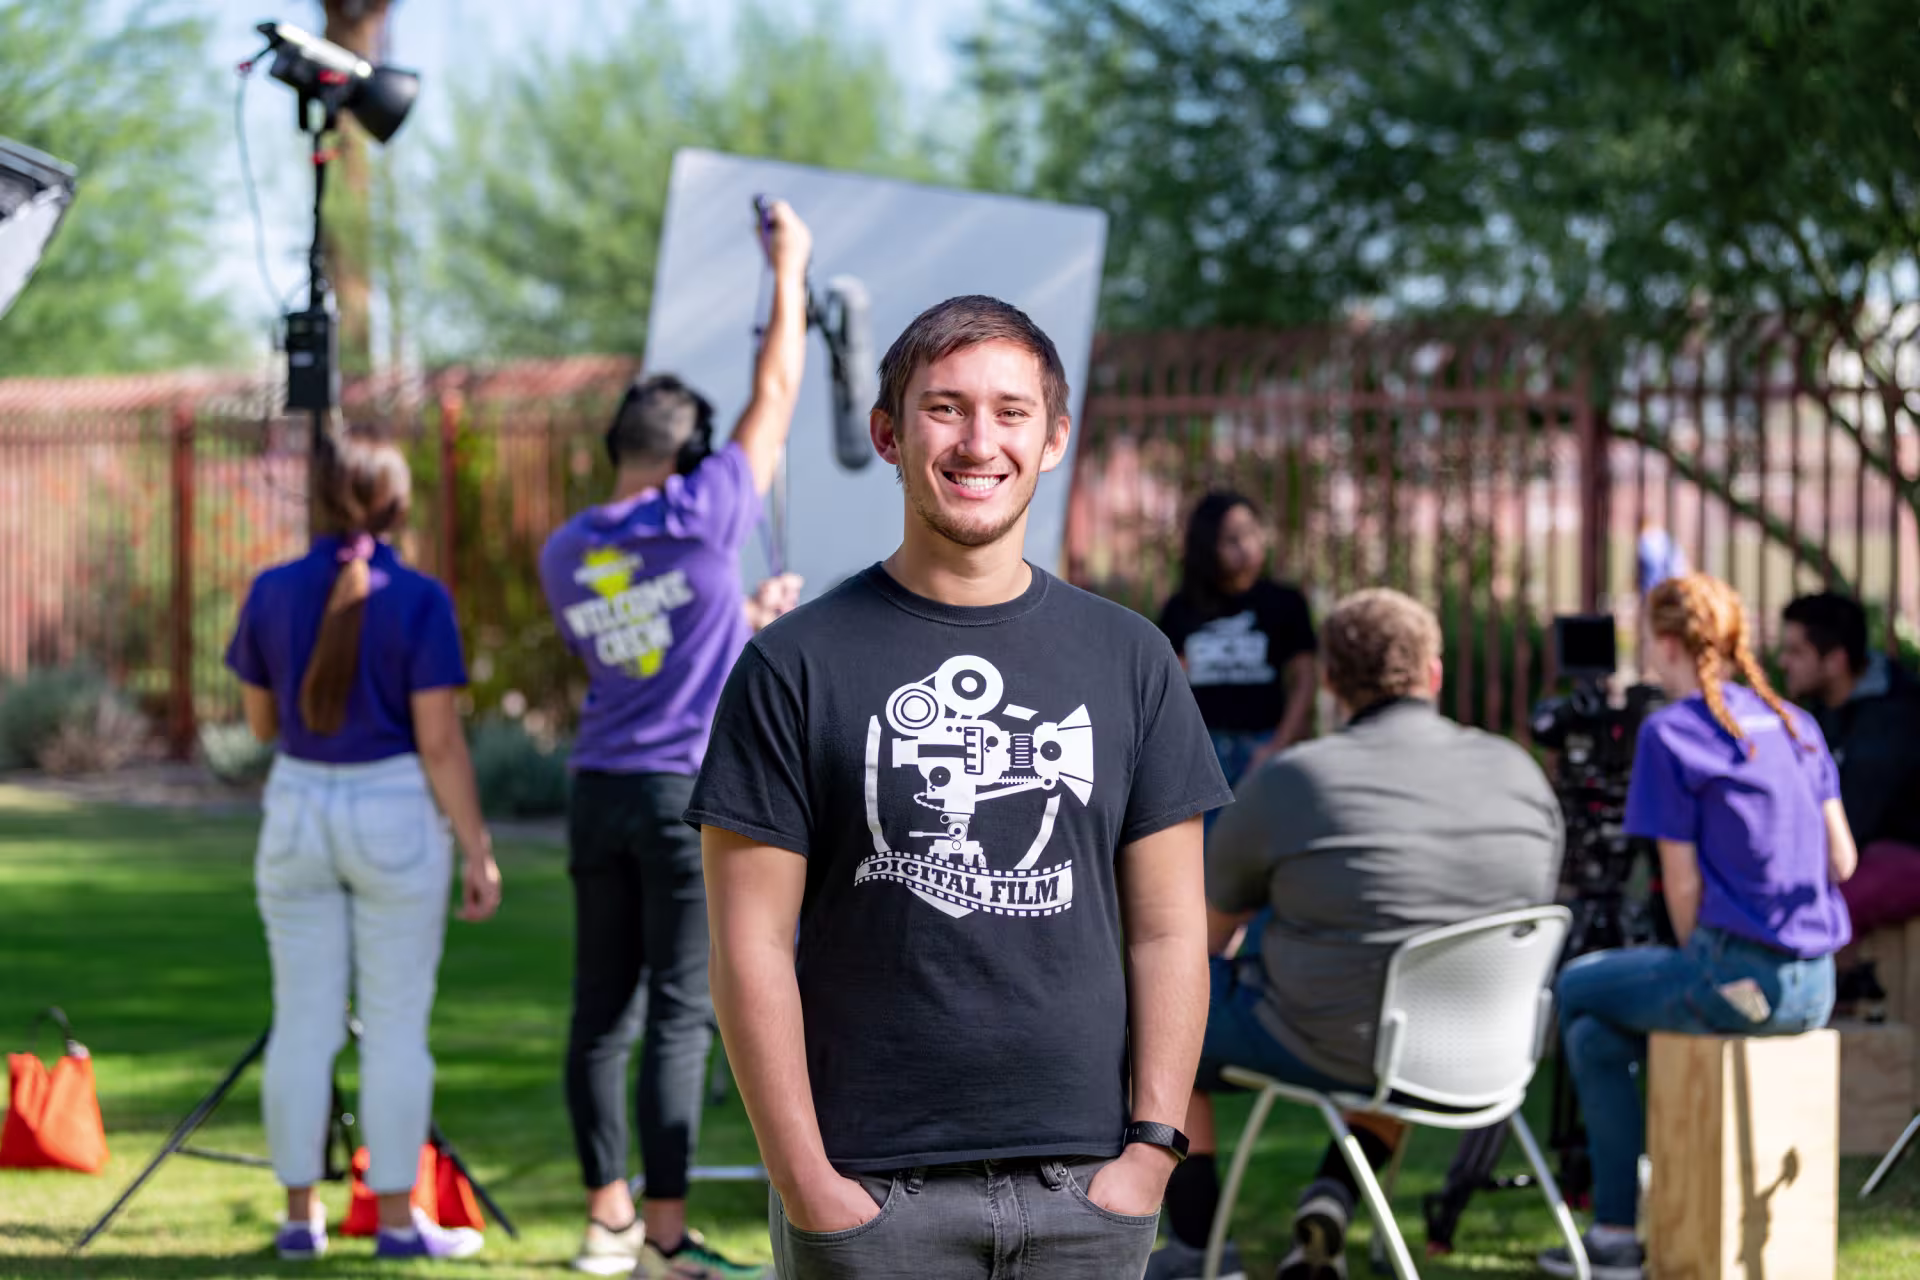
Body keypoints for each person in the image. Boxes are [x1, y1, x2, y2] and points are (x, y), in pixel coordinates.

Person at [687, 294, 1233, 1279]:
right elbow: (747, 942)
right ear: (887, 434)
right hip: (869, 1189)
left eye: (1011, 411)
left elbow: (1169, 928)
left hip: (1089, 1185)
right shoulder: (792, 664)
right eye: (945, 408)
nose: (979, 440)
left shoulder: (1133, 659)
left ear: (1055, 436)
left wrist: (1150, 1153)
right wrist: (807, 1179)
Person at [538, 201, 813, 1280]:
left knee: (600, 1009)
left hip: (595, 786)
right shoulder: (704, 512)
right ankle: (662, 1236)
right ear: (687, 455)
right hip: (678, 788)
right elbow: (778, 391)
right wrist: (787, 268)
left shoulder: (570, 548)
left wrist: (735, 618)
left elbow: (638, 637)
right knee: (681, 1015)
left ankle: (605, 1218)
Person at [1148, 587, 1562, 1280]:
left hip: (1330, 1039)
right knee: (1406, 1006)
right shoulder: (1521, 773)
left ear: (1331, 684)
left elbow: (1202, 944)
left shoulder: (1293, 781)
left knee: (1155, 1014)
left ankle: (1197, 1247)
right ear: (1433, 674)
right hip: (1479, 1042)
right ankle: (1333, 1194)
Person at [226, 437, 503, 1262]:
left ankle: (299, 1218)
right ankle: (390, 1222)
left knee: (301, 1025)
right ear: (396, 507)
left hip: (298, 807)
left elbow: (263, 725)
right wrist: (479, 850)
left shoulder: (271, 590)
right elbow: (441, 744)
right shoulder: (419, 597)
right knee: (393, 1031)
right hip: (392, 813)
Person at [1538, 573, 1856, 1280]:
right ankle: (1619, 1234)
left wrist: (1703, 964)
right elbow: (1844, 858)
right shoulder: (1796, 724)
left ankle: (1618, 1229)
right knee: (1596, 1031)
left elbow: (1679, 886)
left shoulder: (1672, 732)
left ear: (1668, 640)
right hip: (1817, 983)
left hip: (1735, 977)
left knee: (1578, 987)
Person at [1779, 593, 1920, 943]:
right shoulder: (1825, 708)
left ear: (1836, 661)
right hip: (1863, 847)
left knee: (1819, 909)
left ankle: (1829, 993)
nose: (1782, 662)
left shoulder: (1890, 721)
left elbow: (1851, 827)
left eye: (1796, 652)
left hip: (1902, 851)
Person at [1158, 491, 1318, 790]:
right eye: (1231, 539)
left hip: (1264, 744)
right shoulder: (1181, 608)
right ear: (1207, 546)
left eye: (1250, 533)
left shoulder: (1285, 603)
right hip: (1202, 751)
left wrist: (1278, 745)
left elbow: (1305, 681)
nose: (1245, 547)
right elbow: (1170, 688)